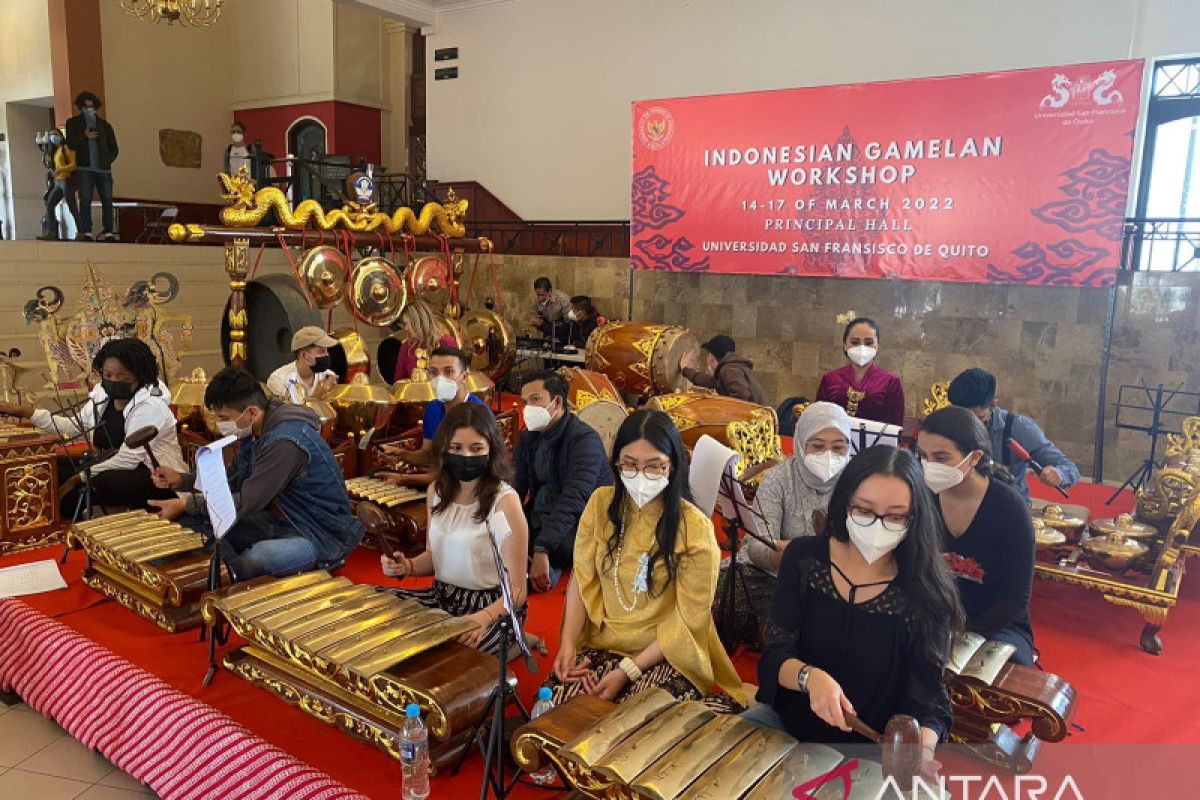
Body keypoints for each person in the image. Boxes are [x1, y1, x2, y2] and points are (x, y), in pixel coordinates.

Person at [743, 445, 961, 779]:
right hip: (787, 727)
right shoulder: (804, 559)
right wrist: (810, 678)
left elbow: (929, 704)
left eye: (895, 516)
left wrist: (918, 754)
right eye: (864, 510)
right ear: (845, 503)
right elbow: (775, 657)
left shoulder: (926, 594)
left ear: (915, 519)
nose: (877, 525)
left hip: (868, 753)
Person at [547, 409, 747, 712]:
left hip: (667, 651)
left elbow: (688, 619)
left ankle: (706, 713)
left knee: (634, 727)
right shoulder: (600, 504)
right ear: (616, 465)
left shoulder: (694, 527)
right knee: (549, 711)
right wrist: (569, 644)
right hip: (604, 643)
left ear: (673, 467)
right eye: (630, 465)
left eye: (654, 467)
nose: (641, 476)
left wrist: (628, 671)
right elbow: (581, 580)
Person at [149, 367, 364, 581]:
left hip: (317, 534)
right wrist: (181, 480)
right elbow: (232, 477)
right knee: (195, 520)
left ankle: (227, 580)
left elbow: (246, 502)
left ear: (251, 412)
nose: (220, 424)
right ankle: (221, 566)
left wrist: (185, 503)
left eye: (224, 417)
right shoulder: (259, 428)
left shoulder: (285, 442)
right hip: (281, 521)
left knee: (259, 557)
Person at [379, 403, 528, 655]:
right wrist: (407, 567)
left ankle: (516, 640)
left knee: (443, 651)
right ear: (444, 450)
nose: (466, 456)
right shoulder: (436, 491)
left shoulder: (505, 502)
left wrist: (481, 619)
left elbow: (518, 591)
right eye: (457, 448)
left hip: (491, 606)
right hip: (442, 597)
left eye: (476, 448)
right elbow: (434, 557)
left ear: (491, 450)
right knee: (374, 605)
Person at [0, 338, 185, 518]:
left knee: (92, 487)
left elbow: (127, 460)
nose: (113, 381)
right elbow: (74, 426)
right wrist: (26, 412)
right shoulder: (103, 395)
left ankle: (111, 510)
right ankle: (94, 508)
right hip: (104, 464)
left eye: (123, 377)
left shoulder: (150, 406)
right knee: (50, 467)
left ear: (140, 376)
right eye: (108, 375)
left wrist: (76, 480)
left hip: (151, 475)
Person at [918, 407, 1036, 665]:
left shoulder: (1010, 508)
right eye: (923, 456)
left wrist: (963, 632)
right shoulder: (924, 497)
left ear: (974, 458)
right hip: (935, 616)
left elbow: (1016, 598)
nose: (929, 466)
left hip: (998, 624)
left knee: (1001, 673)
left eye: (941, 457)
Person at [513, 370, 611, 593]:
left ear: (557, 402)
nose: (528, 408)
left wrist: (542, 548)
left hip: (581, 522)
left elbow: (574, 499)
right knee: (502, 533)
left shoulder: (585, 440)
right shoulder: (528, 436)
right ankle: (533, 562)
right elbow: (515, 487)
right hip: (541, 514)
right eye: (525, 402)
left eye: (535, 400)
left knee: (561, 546)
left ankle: (542, 564)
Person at [947, 367, 1080, 502]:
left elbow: (1069, 467)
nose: (969, 425)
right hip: (961, 505)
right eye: (962, 417)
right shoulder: (946, 423)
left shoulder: (1018, 427)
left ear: (993, 404)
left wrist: (1059, 474)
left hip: (1009, 509)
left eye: (978, 418)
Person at [380, 346, 489, 486]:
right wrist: (401, 454)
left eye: (449, 371)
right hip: (437, 485)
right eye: (434, 372)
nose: (440, 378)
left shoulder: (478, 413)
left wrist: (404, 479)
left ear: (464, 377)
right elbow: (428, 455)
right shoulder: (433, 408)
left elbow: (459, 474)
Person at [815, 317, 905, 427]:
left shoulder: (891, 382)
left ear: (878, 346)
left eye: (869, 342)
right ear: (844, 345)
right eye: (855, 342)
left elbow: (896, 426)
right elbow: (818, 420)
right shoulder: (830, 379)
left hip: (876, 443)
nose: (862, 347)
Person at [65, 91, 118, 242]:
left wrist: (107, 160)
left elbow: (114, 148)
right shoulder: (73, 123)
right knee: (85, 200)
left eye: (92, 106)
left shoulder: (105, 126)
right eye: (86, 106)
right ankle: (86, 232)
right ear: (80, 107)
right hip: (84, 168)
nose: (89, 109)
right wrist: (84, 136)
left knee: (107, 200)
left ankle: (109, 232)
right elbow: (71, 145)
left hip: (104, 169)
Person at [680, 335, 766, 405]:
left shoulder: (729, 370)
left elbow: (741, 396)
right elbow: (710, 382)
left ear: (712, 358)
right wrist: (685, 370)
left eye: (709, 355)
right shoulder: (732, 367)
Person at [265, 326, 339, 402]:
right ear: (304, 355)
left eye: (327, 351)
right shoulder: (279, 380)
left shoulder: (327, 376)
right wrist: (316, 397)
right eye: (321, 351)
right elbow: (292, 413)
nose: (327, 355)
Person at [391, 300, 457, 382]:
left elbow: (457, 378)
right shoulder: (406, 347)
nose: (405, 328)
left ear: (420, 321)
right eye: (404, 324)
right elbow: (399, 383)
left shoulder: (447, 343)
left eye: (407, 324)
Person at [37, 129, 78, 241]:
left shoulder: (66, 148)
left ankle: (81, 230)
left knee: (72, 206)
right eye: (51, 136)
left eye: (55, 135)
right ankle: (52, 232)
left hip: (66, 180)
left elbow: (74, 164)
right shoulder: (54, 151)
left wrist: (60, 170)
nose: (53, 137)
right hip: (57, 182)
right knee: (50, 204)